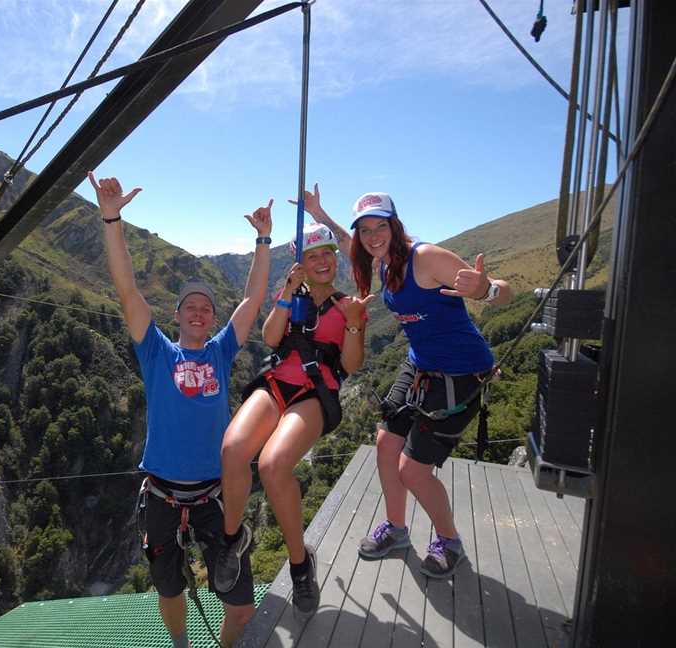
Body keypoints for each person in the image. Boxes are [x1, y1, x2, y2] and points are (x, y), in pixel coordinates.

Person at [88, 172, 272, 648]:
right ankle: (182, 646)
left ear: (212, 318)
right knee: (168, 589)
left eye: (206, 307)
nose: (198, 312)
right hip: (162, 497)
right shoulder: (156, 352)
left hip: (216, 497)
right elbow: (126, 288)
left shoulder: (220, 351)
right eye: (189, 306)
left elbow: (252, 300)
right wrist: (112, 218)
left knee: (242, 603)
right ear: (175, 315)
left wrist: (263, 240)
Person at [301, 184, 512, 579]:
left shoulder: (426, 257)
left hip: (461, 372)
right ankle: (397, 530)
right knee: (385, 445)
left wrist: (485, 289)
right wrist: (319, 213)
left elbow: (503, 291)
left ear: (395, 225)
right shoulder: (381, 260)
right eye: (365, 230)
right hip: (420, 365)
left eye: (380, 227)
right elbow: (348, 243)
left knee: (412, 471)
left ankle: (449, 541)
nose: (372, 236)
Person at [214, 222, 373, 618]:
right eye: (312, 256)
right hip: (277, 382)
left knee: (273, 464)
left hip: (315, 394)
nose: (321, 262)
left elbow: (351, 365)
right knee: (233, 449)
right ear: (301, 262)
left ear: (335, 258)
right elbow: (271, 339)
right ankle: (232, 538)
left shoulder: (348, 304)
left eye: (327, 254)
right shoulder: (292, 296)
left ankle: (300, 562)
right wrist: (286, 293)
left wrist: (353, 322)